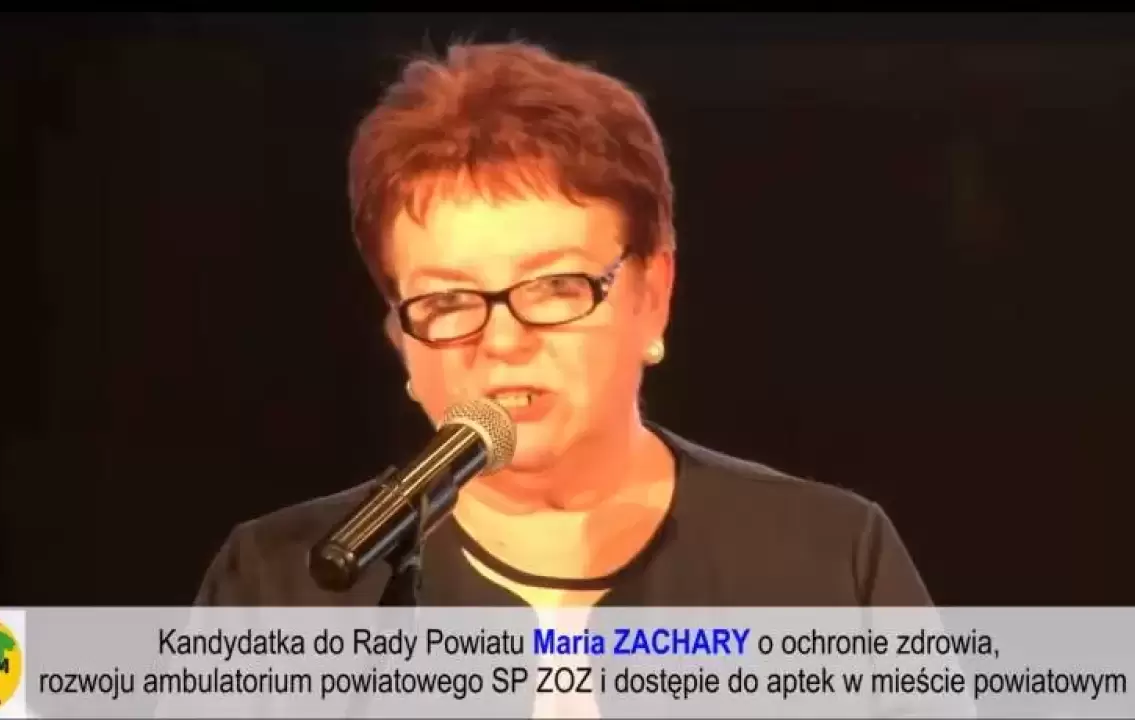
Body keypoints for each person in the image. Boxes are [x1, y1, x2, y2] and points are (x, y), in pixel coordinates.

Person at [193, 41, 932, 610]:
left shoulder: (828, 562)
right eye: (448, 300)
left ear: (653, 295)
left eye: (553, 287)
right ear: (399, 338)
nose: (502, 341)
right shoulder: (281, 583)